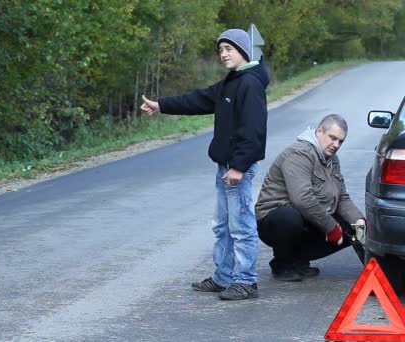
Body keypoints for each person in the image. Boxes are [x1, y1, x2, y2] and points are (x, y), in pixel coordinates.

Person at [140, 29, 270, 300]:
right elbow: (198, 99)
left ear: (244, 50)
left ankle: (246, 280)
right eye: (221, 49)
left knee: (241, 225)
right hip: (225, 168)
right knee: (222, 226)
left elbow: (254, 132)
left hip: (237, 170)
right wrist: (161, 105)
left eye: (229, 49)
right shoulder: (232, 81)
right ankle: (224, 277)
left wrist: (238, 166)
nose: (223, 54)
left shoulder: (250, 84)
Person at [255, 114, 366, 282]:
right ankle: (282, 263)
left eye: (340, 141)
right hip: (274, 221)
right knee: (290, 217)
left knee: (352, 227)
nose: (336, 145)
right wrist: (331, 227)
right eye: (333, 138)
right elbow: (302, 199)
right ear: (319, 131)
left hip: (305, 218)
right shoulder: (299, 154)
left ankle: (299, 261)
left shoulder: (332, 159)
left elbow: (341, 196)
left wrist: (360, 222)